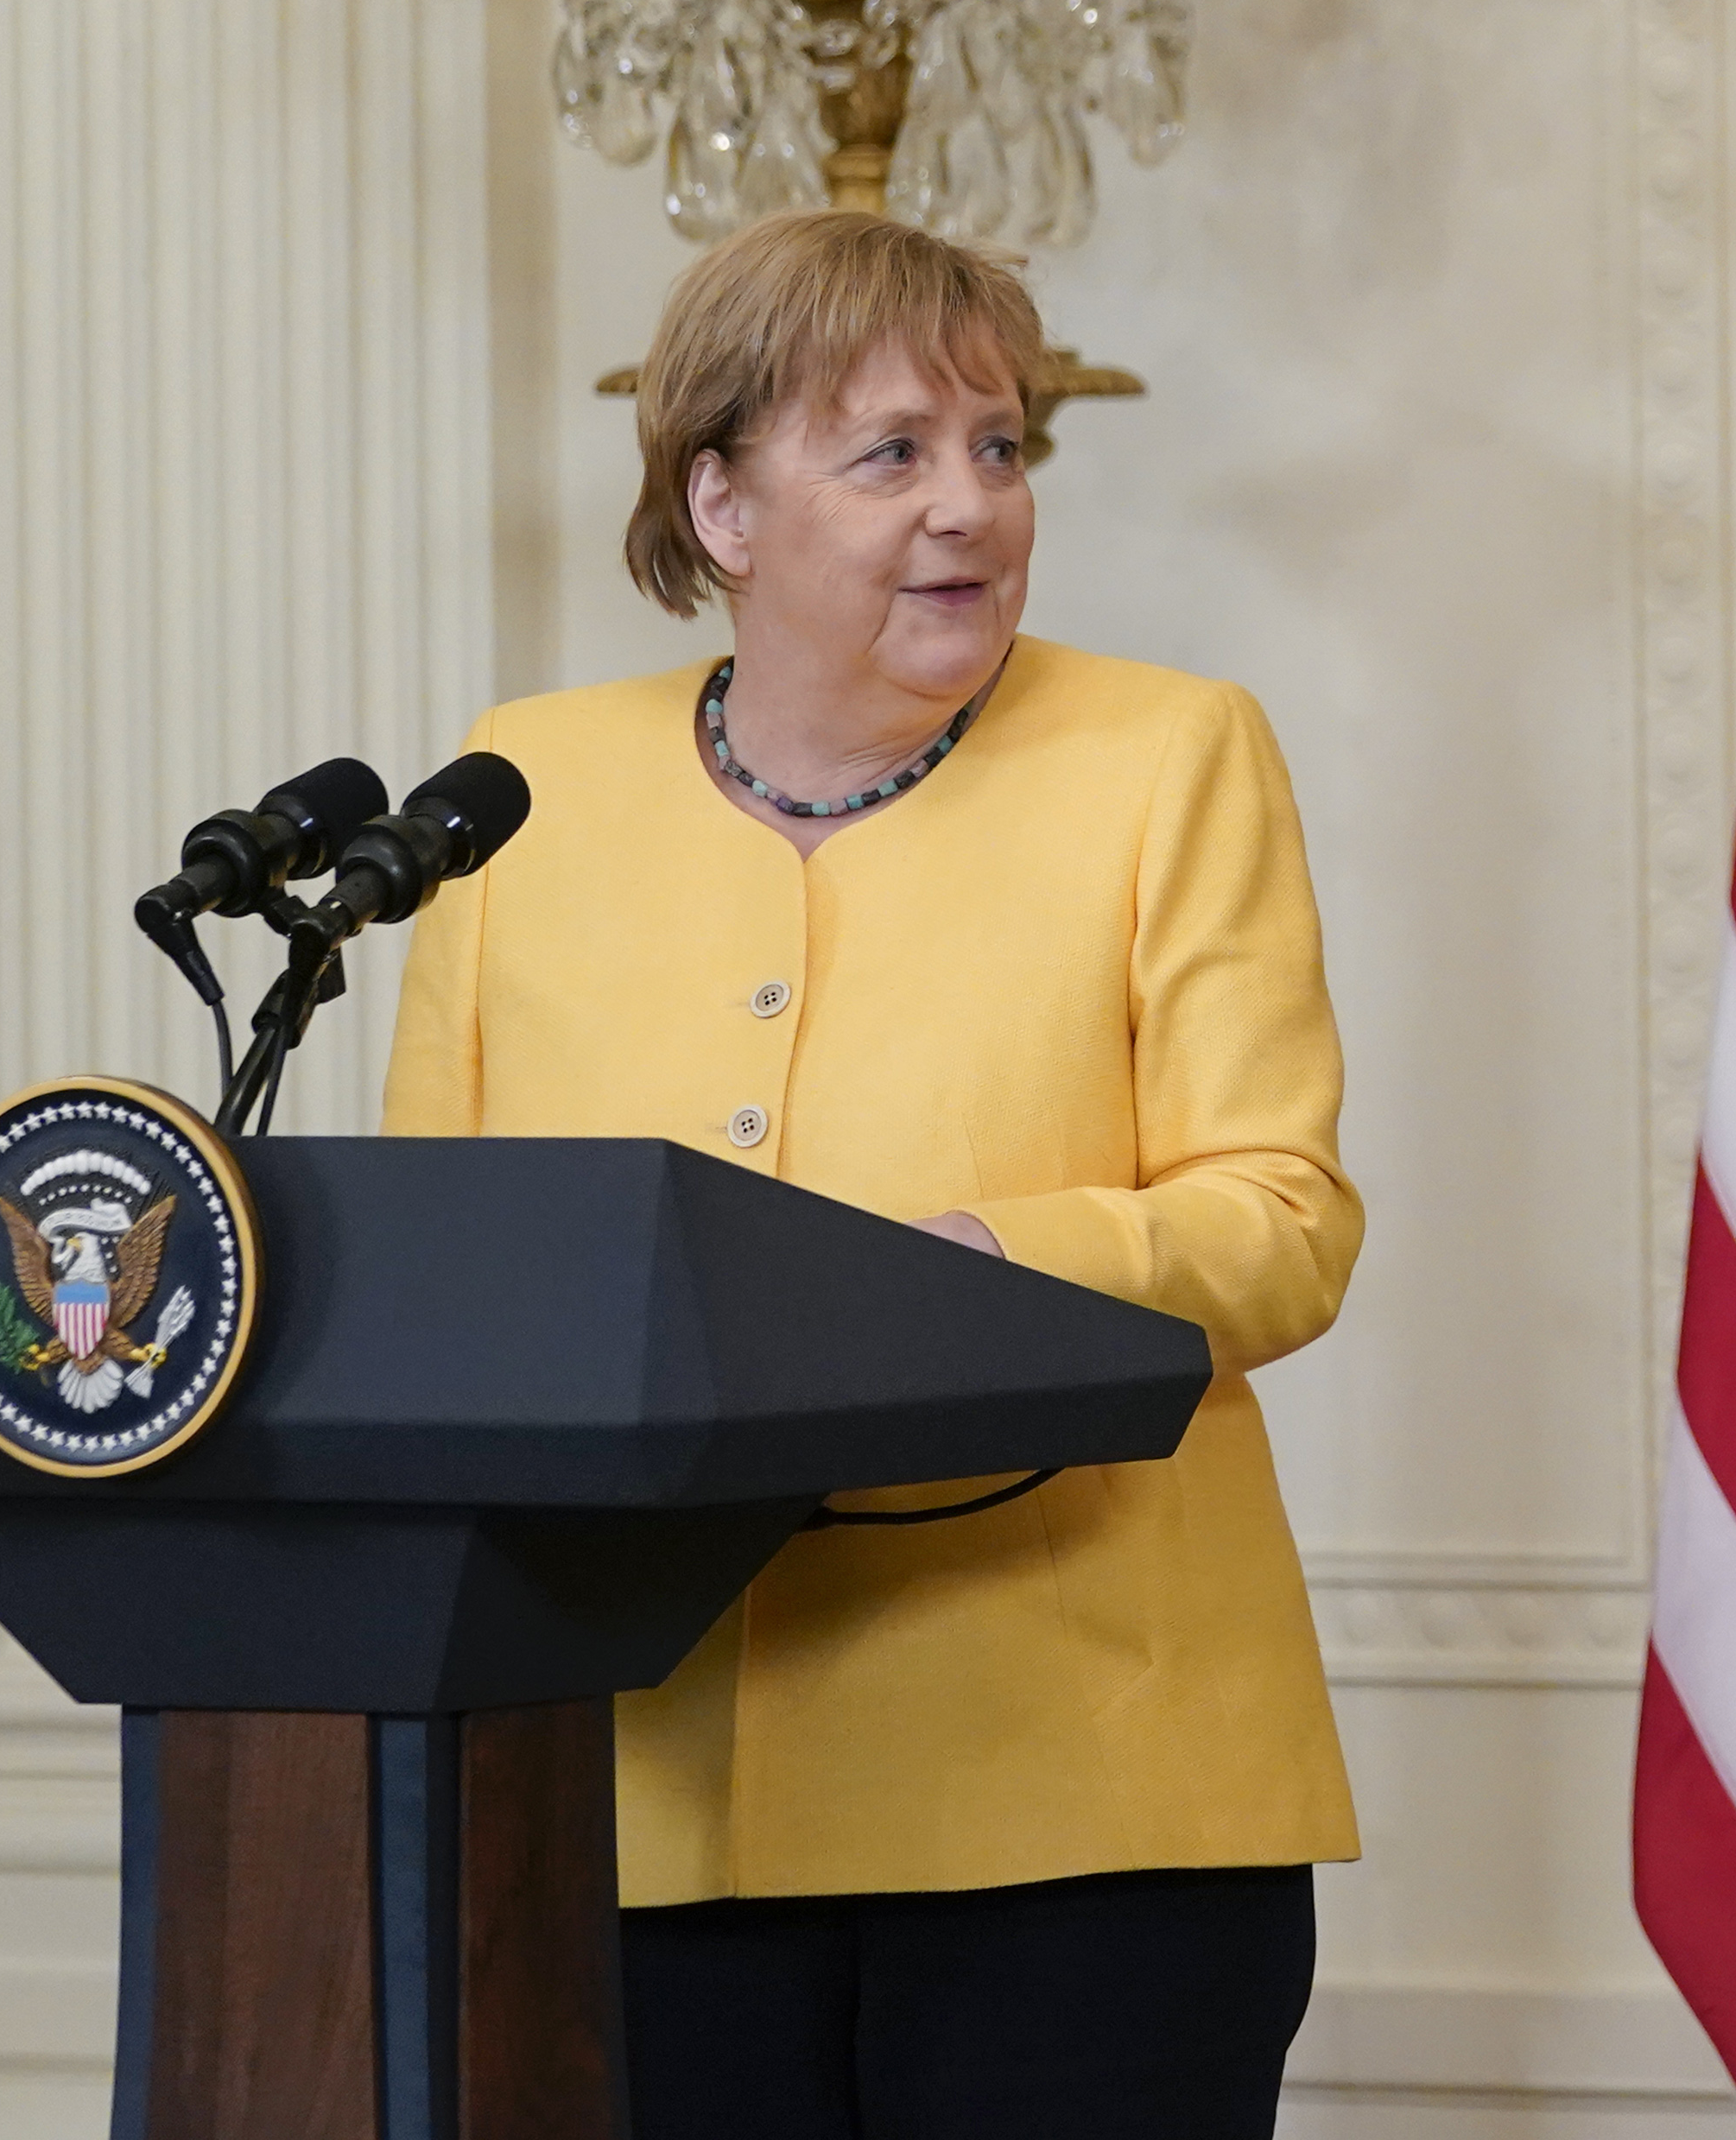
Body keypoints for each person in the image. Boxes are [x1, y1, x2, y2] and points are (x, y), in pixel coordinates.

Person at [383, 207, 1362, 2138]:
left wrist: (976, 1267)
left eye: (997, 447)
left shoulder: (1170, 755)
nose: (969, 506)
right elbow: (446, 1275)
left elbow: (1282, 1220)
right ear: (723, 506)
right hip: (627, 1806)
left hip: (1088, 1810)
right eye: (891, 452)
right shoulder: (524, 791)